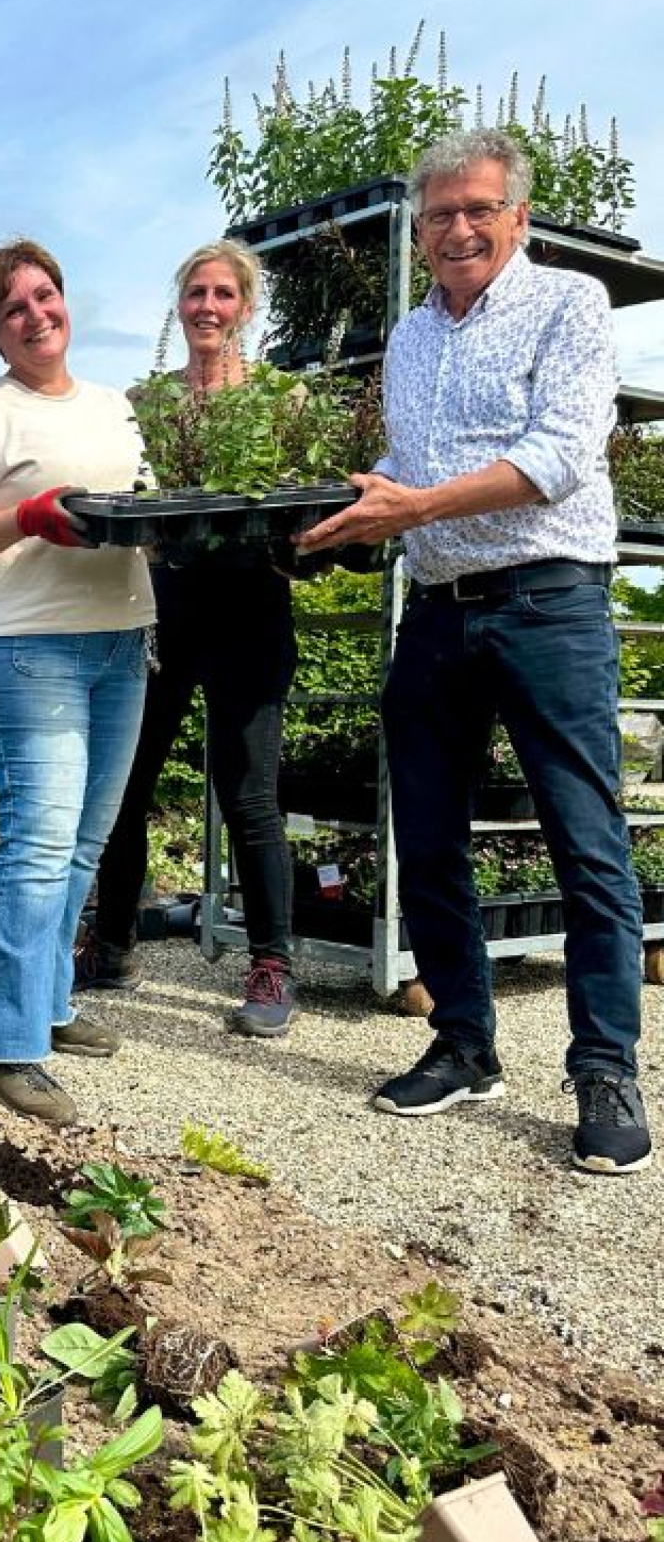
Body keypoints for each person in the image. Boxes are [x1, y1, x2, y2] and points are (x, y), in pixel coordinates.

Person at [296, 127, 648, 1175]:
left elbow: (559, 453)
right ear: (419, 225)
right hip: (438, 609)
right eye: (438, 213)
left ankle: (602, 1065)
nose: (456, 229)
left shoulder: (567, 306)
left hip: (547, 603)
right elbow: (404, 464)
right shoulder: (409, 337)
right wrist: (335, 518)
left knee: (584, 841)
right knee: (428, 836)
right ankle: (461, 1041)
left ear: (516, 217)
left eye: (475, 209)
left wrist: (414, 502)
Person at [0, 239, 154, 1127]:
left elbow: (145, 504)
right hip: (23, 646)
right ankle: (1, 1042)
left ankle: (48, 1005)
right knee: (38, 838)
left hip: (120, 639)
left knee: (84, 843)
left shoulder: (117, 407)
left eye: (46, 295)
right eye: (13, 308)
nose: (36, 314)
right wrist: (25, 516)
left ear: (67, 301)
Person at [79, 241, 299, 1037]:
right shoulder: (148, 402)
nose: (208, 307)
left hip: (251, 609)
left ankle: (273, 962)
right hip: (164, 605)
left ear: (246, 307)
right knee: (127, 785)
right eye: (196, 294)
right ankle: (111, 945)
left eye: (224, 295)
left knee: (249, 794)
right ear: (180, 307)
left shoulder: (281, 400)